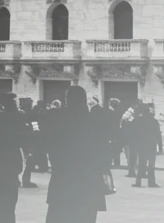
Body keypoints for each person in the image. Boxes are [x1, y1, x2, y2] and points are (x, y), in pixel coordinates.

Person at [45, 85, 108, 223]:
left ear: (67, 99)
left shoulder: (56, 117)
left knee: (58, 214)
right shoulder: (94, 120)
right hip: (88, 178)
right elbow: (103, 149)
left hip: (63, 176)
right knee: (86, 215)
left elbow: (47, 141)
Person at [0, 92, 27, 223]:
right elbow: (32, 131)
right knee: (10, 195)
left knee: (3, 196)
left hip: (2, 157)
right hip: (11, 156)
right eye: (13, 102)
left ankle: (3, 220)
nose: (15, 104)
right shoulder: (19, 116)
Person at [130, 103, 162, 188]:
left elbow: (134, 135)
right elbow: (158, 135)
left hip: (142, 146)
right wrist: (160, 147)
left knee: (141, 164)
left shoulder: (137, 120)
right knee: (151, 165)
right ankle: (151, 182)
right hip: (151, 145)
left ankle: (138, 182)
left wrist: (134, 145)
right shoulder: (154, 121)